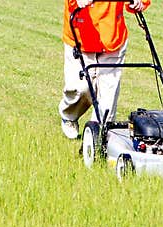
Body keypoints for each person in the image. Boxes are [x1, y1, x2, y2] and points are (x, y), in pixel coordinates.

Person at [59, 0, 150, 139]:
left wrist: (140, 2)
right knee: (80, 88)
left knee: (108, 96)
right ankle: (69, 116)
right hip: (80, 35)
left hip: (112, 36)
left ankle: (100, 134)